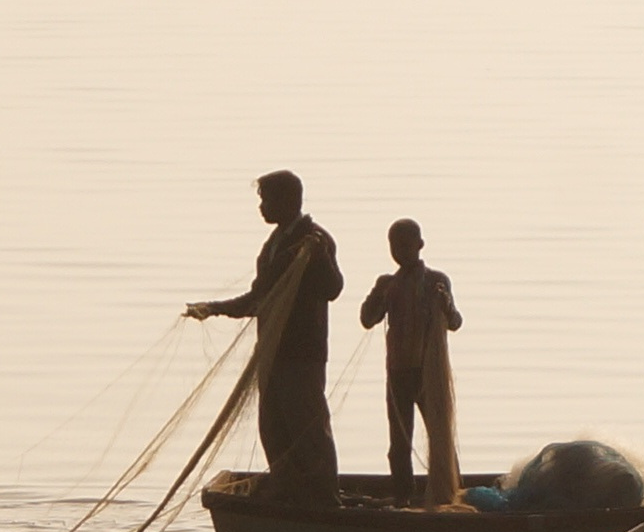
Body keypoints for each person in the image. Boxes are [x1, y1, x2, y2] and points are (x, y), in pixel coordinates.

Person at [185, 171, 343, 506]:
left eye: (266, 199)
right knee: (273, 425)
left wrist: (318, 255)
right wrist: (213, 308)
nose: (261, 207)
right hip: (273, 351)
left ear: (288, 201)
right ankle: (288, 488)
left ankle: (323, 495)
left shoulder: (315, 239)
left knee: (308, 425)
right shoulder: (273, 245)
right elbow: (259, 299)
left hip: (303, 353)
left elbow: (333, 289)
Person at [358, 218, 463, 506]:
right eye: (395, 246)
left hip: (429, 374)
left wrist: (446, 304)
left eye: (406, 245)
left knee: (440, 436)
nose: (400, 251)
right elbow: (368, 319)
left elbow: (455, 322)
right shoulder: (387, 283)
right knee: (399, 442)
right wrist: (378, 295)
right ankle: (404, 495)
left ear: (420, 245)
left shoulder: (436, 281)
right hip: (398, 373)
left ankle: (447, 491)